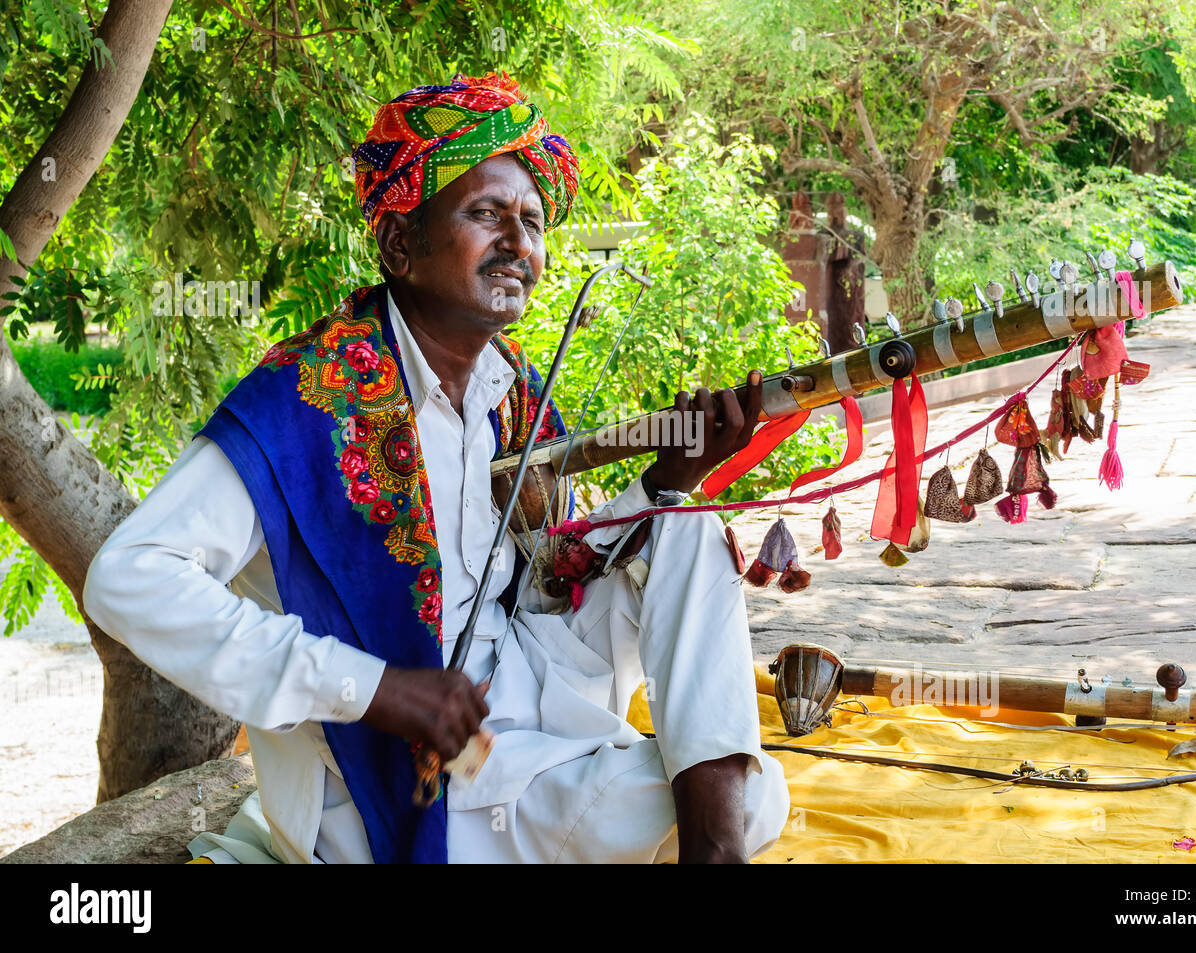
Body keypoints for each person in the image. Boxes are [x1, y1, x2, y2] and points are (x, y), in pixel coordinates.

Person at [82, 73, 789, 864]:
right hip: (395, 784)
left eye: (531, 221)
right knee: (730, 801)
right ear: (399, 245)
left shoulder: (511, 390)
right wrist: (377, 687)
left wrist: (666, 481)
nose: (520, 243)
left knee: (684, 533)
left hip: (525, 709)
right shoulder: (309, 396)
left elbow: (556, 578)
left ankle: (708, 851)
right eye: (486, 214)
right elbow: (127, 576)